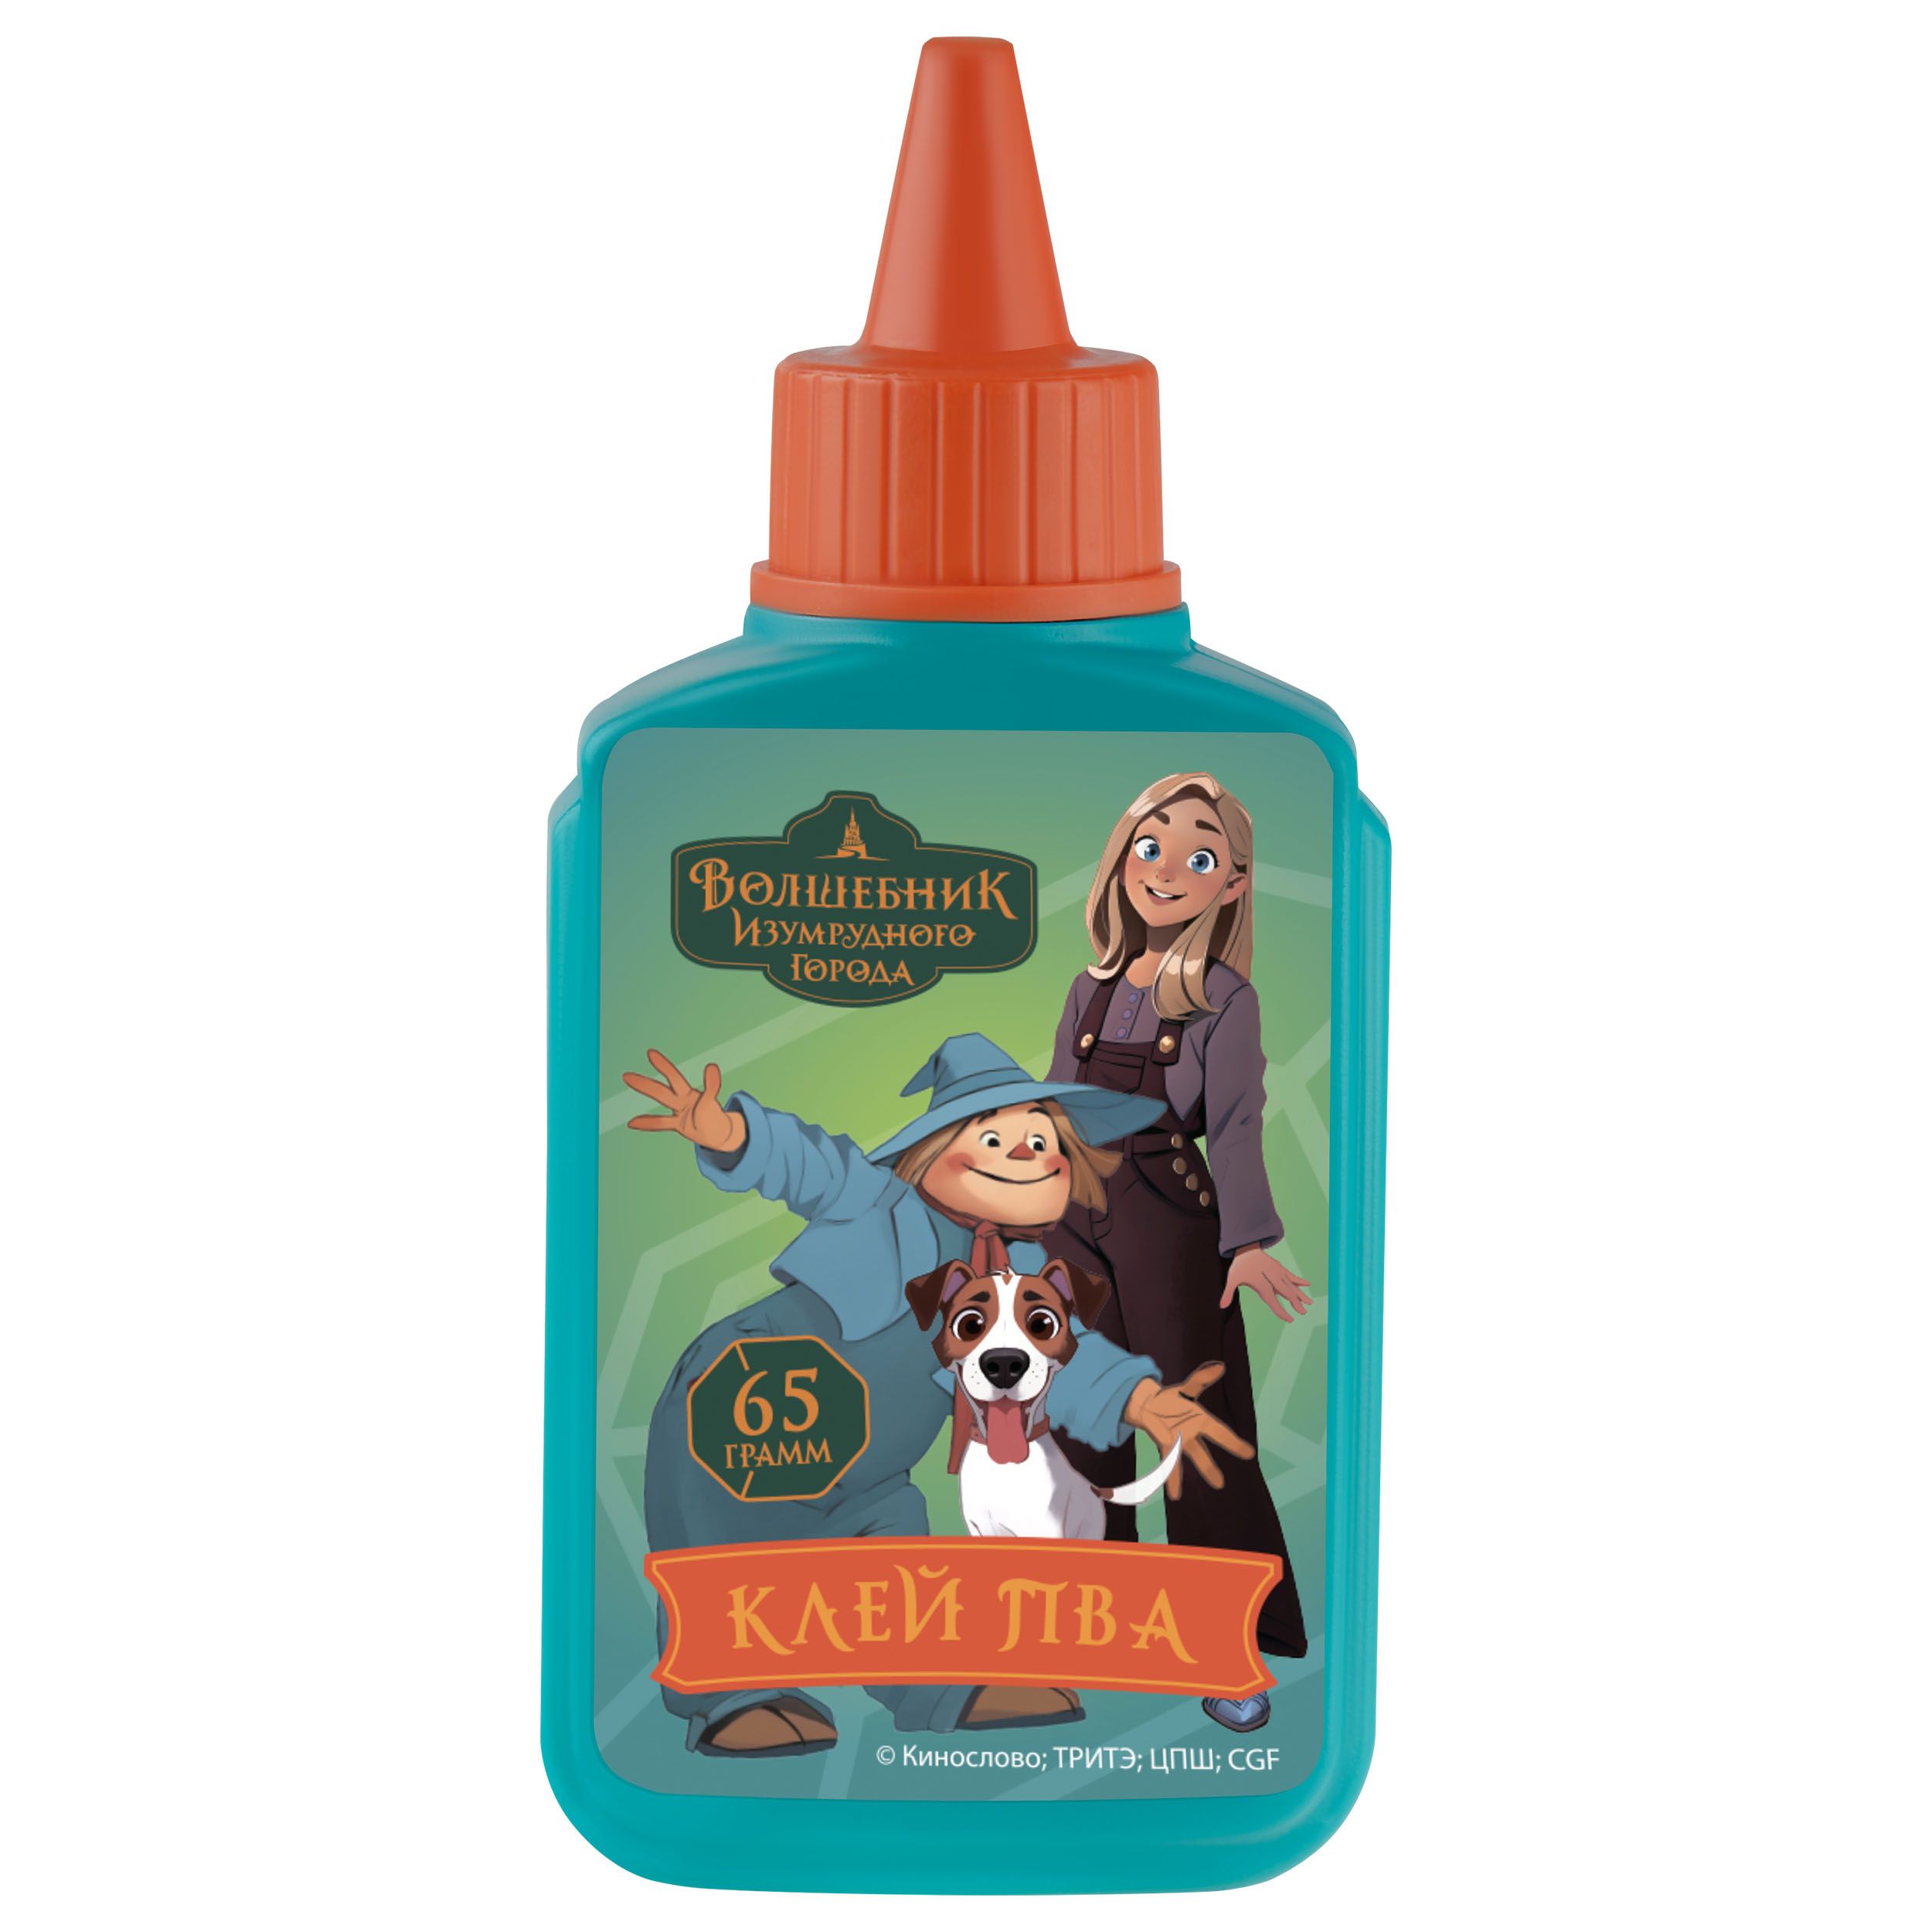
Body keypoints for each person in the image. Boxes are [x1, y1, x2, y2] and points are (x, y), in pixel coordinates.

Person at [626, 1032, 1256, 1759]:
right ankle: (732, 1695)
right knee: (722, 1548)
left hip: (871, 1470)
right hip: (748, 1405)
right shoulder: (877, 1200)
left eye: (1044, 1142)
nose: (1026, 1156)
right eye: (994, 1138)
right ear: (932, 1152)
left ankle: (933, 1685)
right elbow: (812, 1164)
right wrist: (736, 1136)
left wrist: (1141, 1400)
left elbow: (1064, 1351)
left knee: (895, 1563)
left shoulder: (1022, 1268)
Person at [1045, 771, 1311, 1734]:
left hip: (1168, 1215)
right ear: (1121, 858)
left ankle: (1227, 1641)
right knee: (1077, 1410)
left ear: (1231, 884)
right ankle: (1090, 1616)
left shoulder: (1224, 999)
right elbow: (1054, 1111)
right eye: (1148, 844)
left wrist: (1247, 1241)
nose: (1164, 868)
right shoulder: (1088, 987)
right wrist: (1021, 1218)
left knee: (1198, 1423)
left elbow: (1234, 1121)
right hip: (1072, 1215)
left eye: (1198, 854)